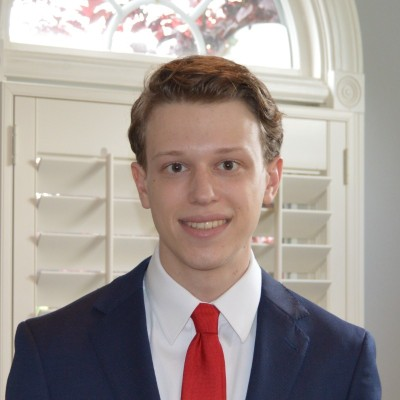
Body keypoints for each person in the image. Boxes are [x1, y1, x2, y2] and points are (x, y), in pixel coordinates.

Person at [6, 55, 381, 400]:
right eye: (176, 167)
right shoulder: (50, 352)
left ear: (271, 180)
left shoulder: (344, 360)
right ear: (142, 184)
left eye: (228, 165)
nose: (203, 193)